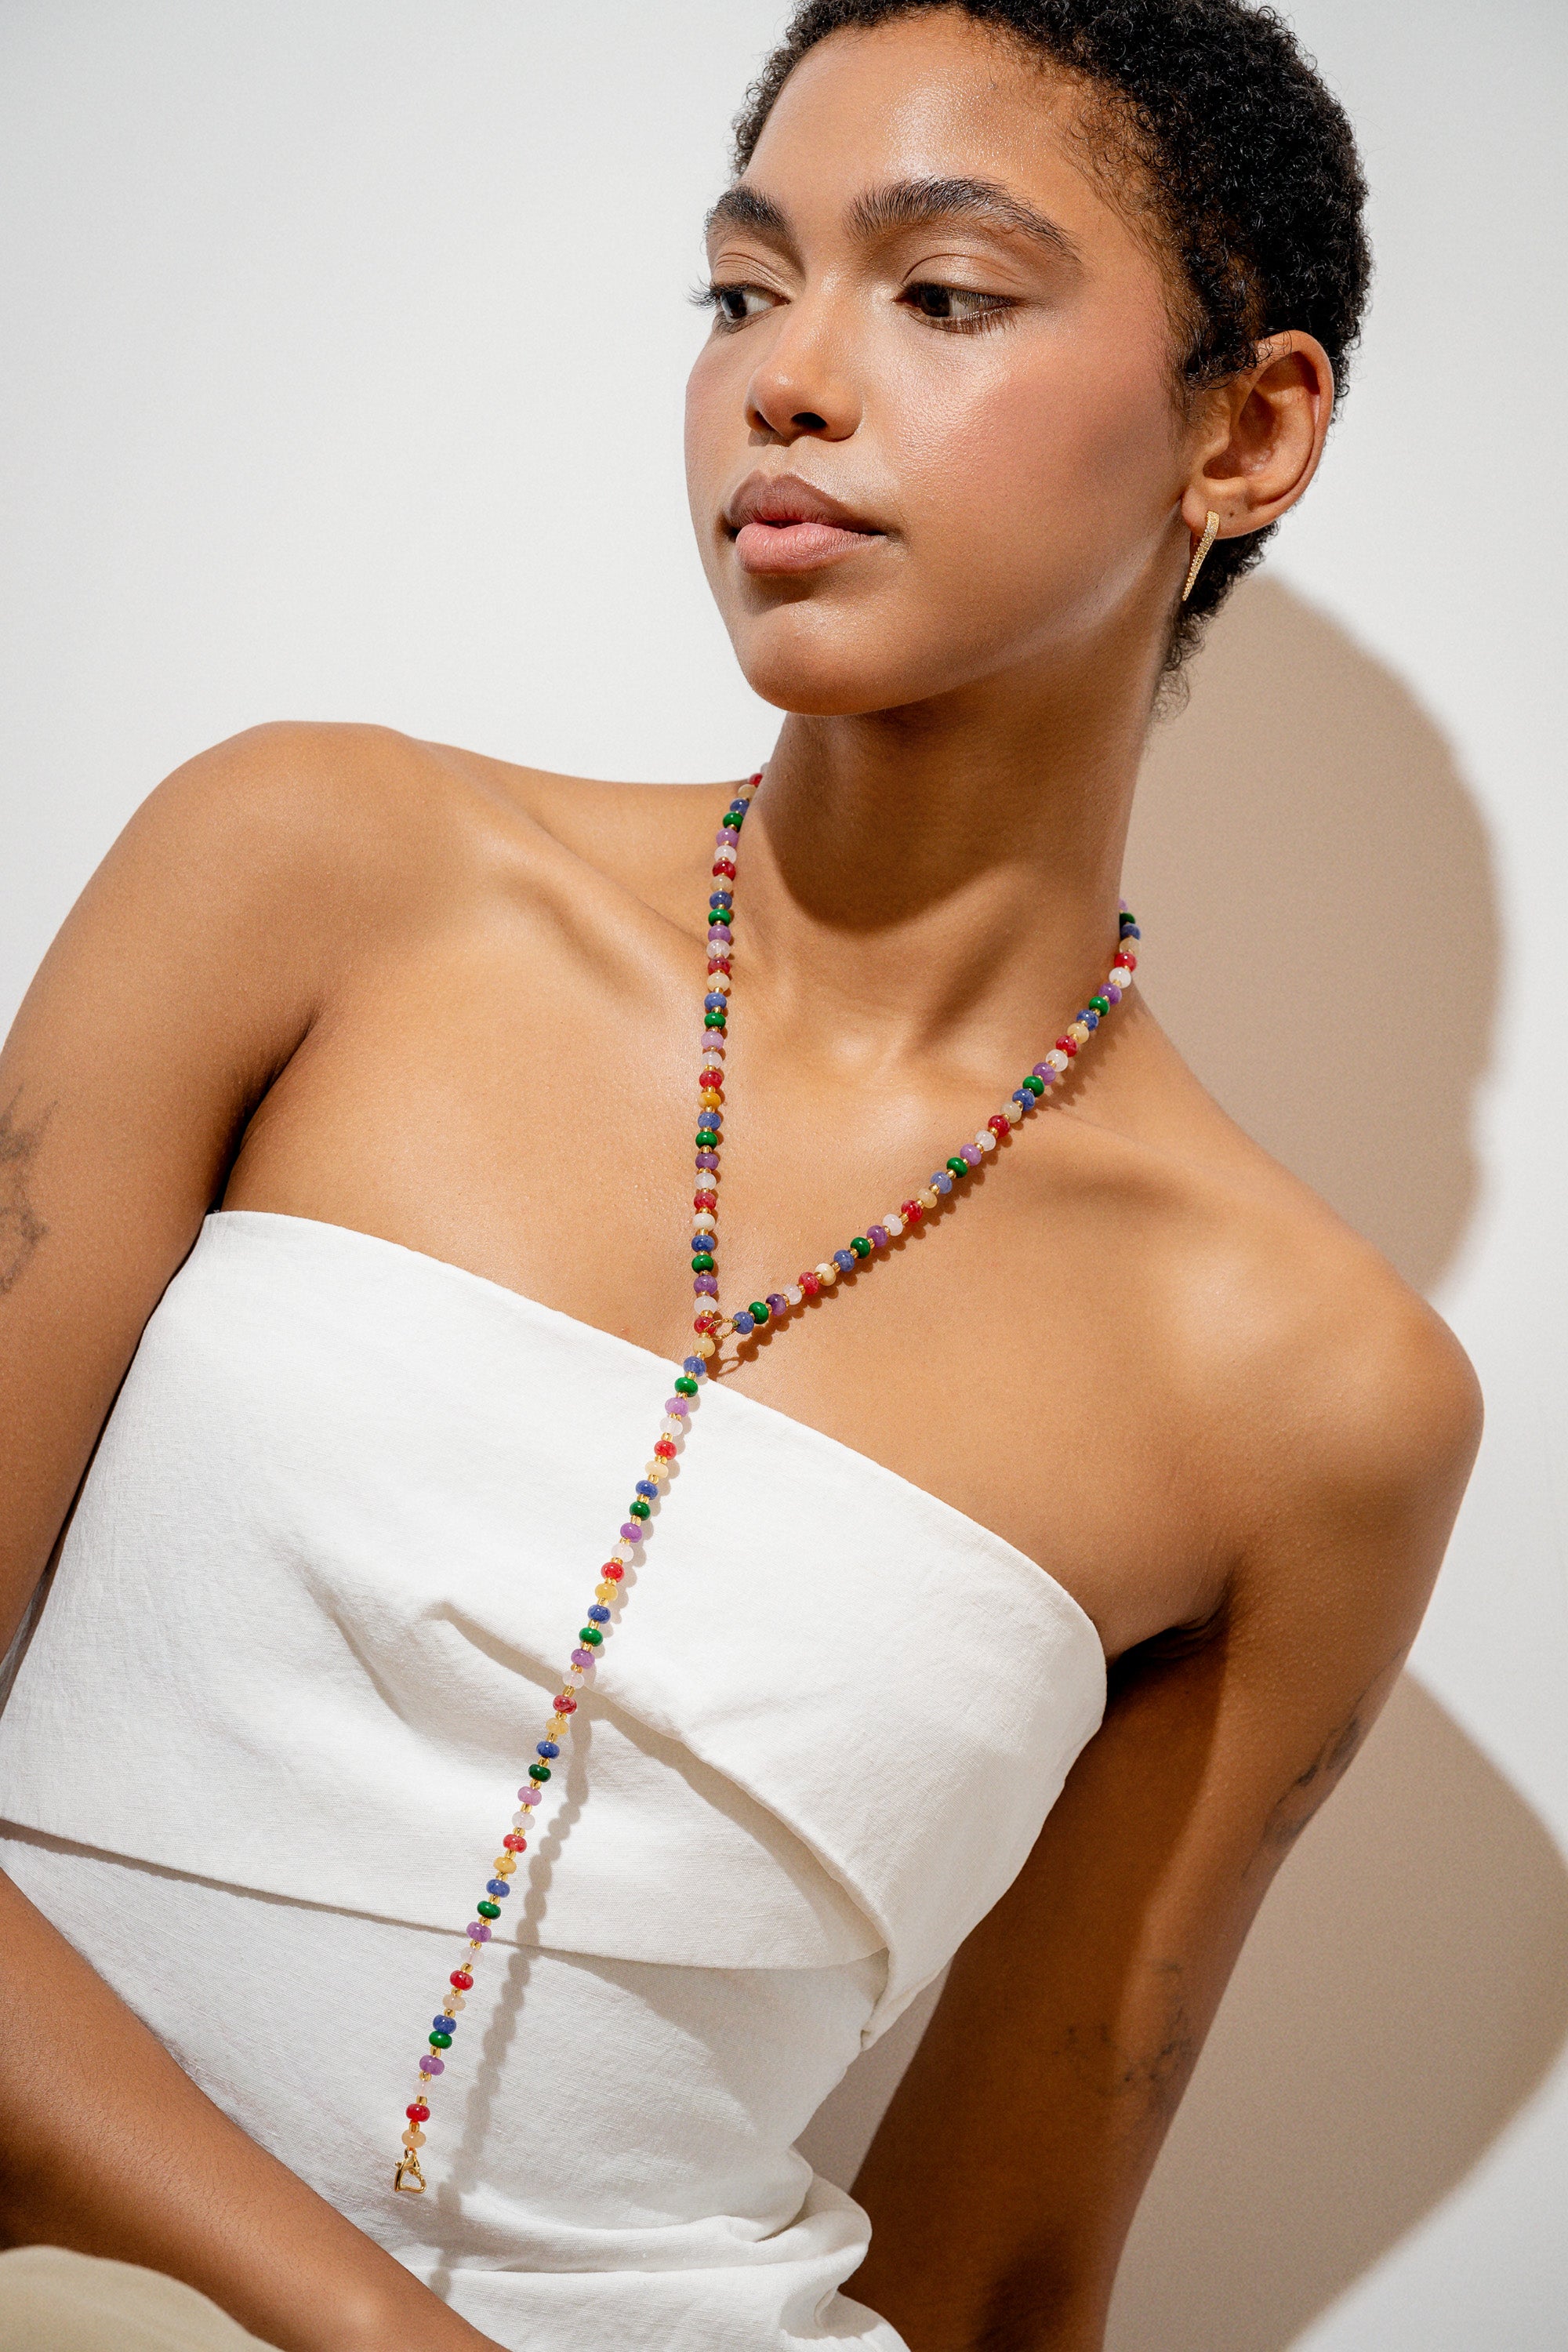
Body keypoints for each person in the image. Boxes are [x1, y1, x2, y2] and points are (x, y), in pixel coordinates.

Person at [0, 4, 1482, 2349]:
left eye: (944, 293)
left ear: (1247, 429)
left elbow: (1009, 2278)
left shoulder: (1318, 1399)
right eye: (740, 287)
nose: (786, 379)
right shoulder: (313, 872)